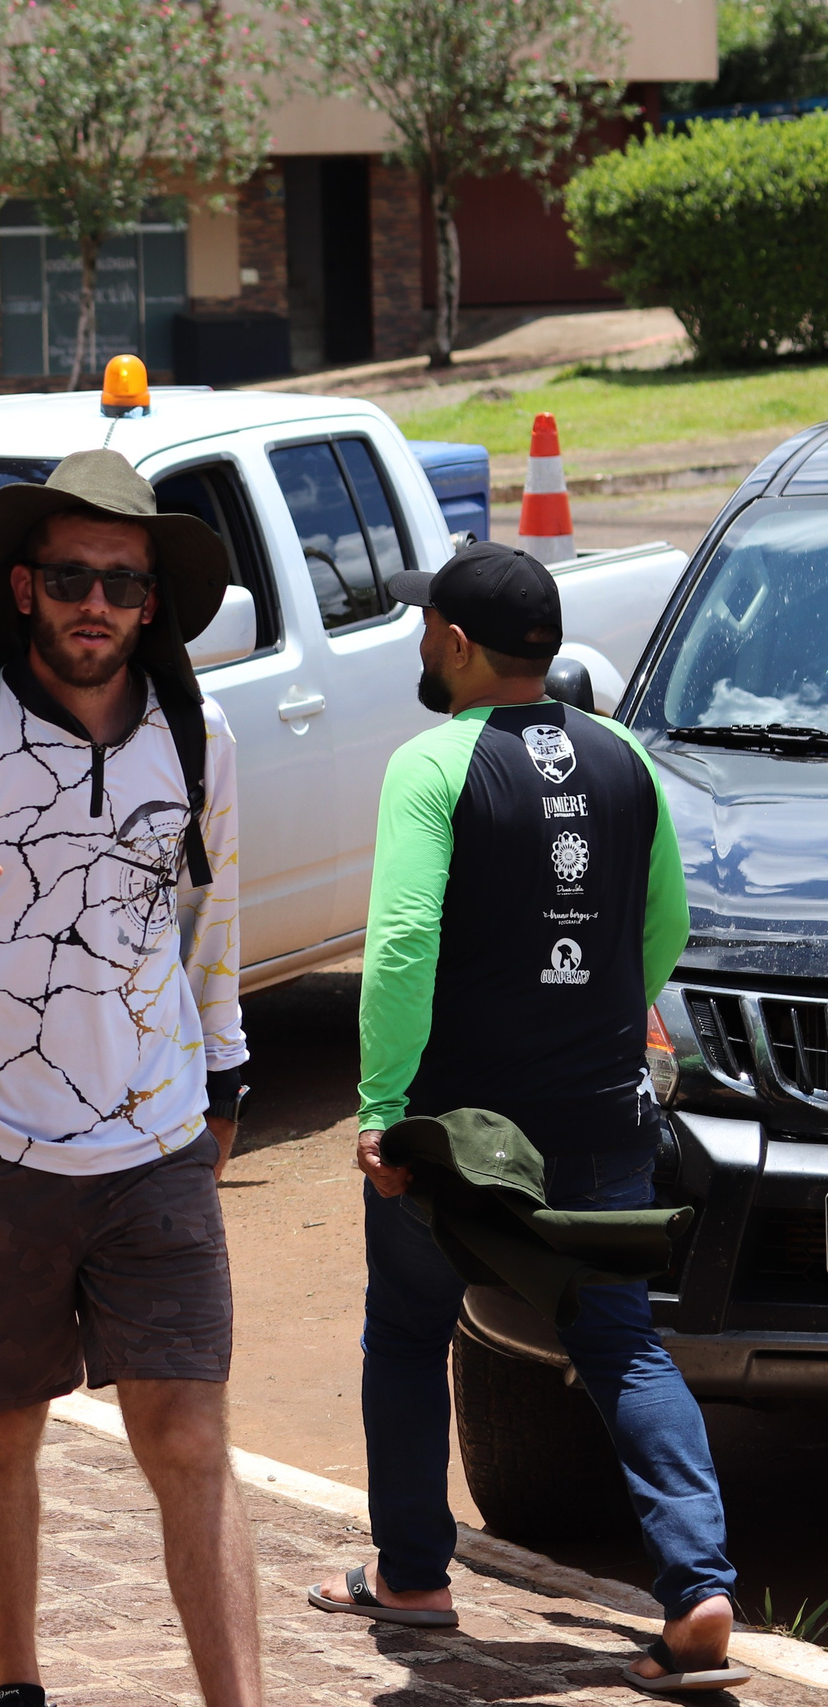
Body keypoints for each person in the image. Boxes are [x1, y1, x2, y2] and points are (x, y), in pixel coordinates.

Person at [0, 449, 255, 1707]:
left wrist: (225, 1077)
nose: (96, 605)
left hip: (156, 1144)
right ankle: (15, 1683)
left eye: (123, 585)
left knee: (187, 1435)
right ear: (23, 587)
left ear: (152, 604)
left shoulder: (199, 739)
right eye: (71, 578)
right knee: (1, 1427)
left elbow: (210, 922)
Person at [305, 541, 744, 1692]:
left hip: (458, 1142)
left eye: (424, 626)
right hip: (600, 1121)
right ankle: (698, 1591)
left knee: (408, 1333)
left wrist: (382, 1107)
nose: (418, 641)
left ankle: (413, 1576)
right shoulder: (624, 758)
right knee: (622, 1347)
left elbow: (403, 943)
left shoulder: (430, 763)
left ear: (454, 644)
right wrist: (593, 1026)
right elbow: (662, 927)